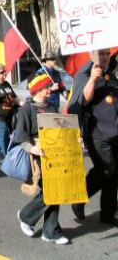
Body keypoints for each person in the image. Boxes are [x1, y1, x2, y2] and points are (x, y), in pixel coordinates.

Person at [15, 71, 69, 245]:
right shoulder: (26, 109)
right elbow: (21, 137)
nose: (50, 89)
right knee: (51, 190)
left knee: (56, 190)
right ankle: (28, 217)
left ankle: (48, 230)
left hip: (55, 154)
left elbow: (61, 131)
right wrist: (33, 148)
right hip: (38, 155)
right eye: (47, 86)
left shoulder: (52, 108)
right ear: (38, 89)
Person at [70, 48, 118, 225]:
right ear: (91, 54)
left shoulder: (112, 70)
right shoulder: (84, 73)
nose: (105, 57)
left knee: (113, 174)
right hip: (97, 133)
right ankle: (79, 198)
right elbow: (83, 100)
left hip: (114, 131)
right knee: (106, 170)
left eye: (107, 54)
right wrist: (92, 78)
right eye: (101, 54)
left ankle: (108, 213)